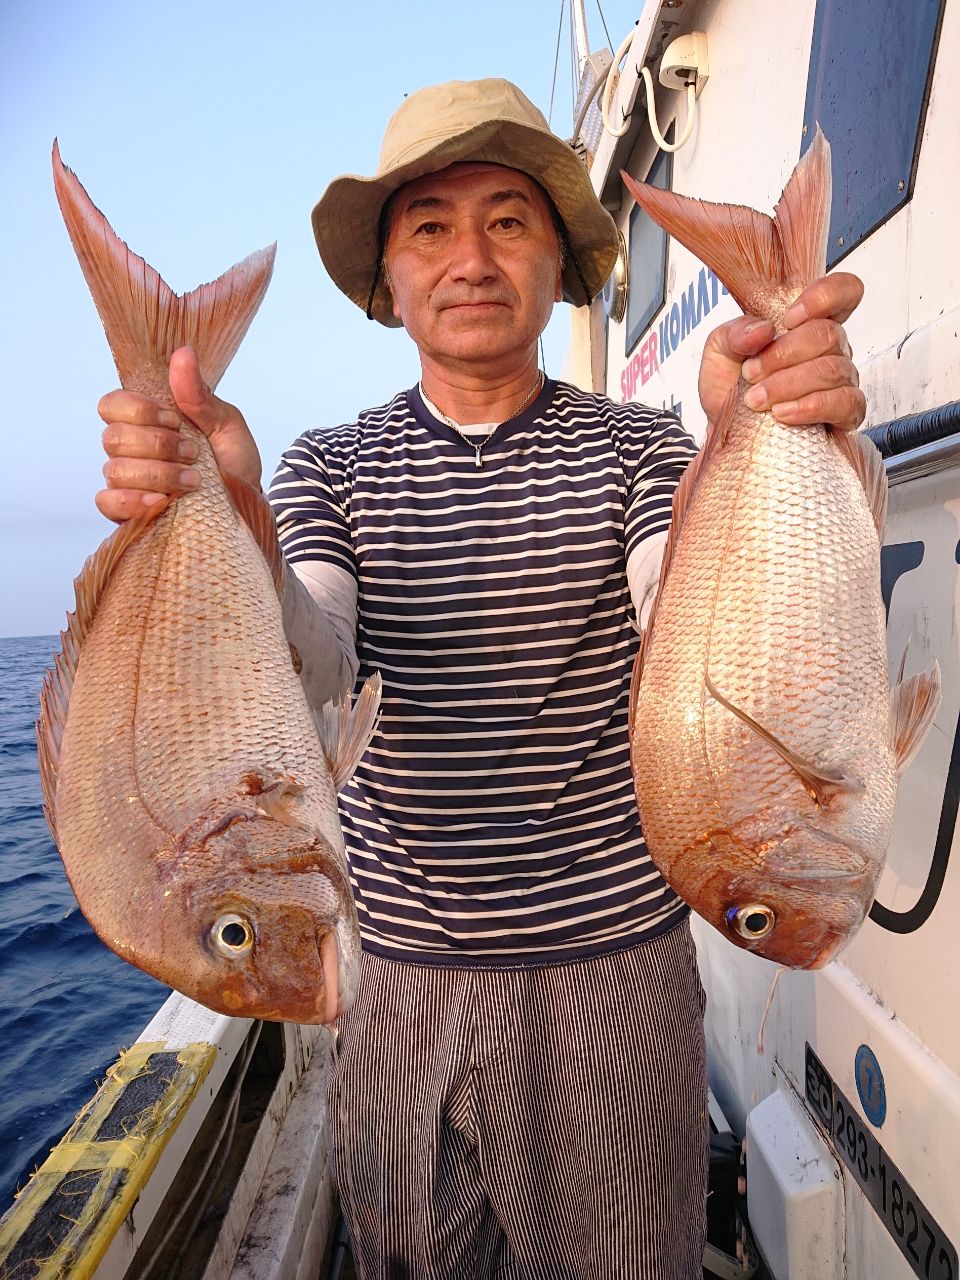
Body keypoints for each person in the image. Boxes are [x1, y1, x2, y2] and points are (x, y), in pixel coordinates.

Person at [96, 79, 865, 1280]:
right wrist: (231, 513)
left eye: (510, 220)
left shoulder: (642, 450)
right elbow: (319, 657)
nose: (471, 257)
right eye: (430, 227)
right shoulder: (330, 466)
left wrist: (765, 433)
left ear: (558, 266)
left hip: (617, 971)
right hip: (401, 979)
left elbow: (695, 610)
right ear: (386, 284)